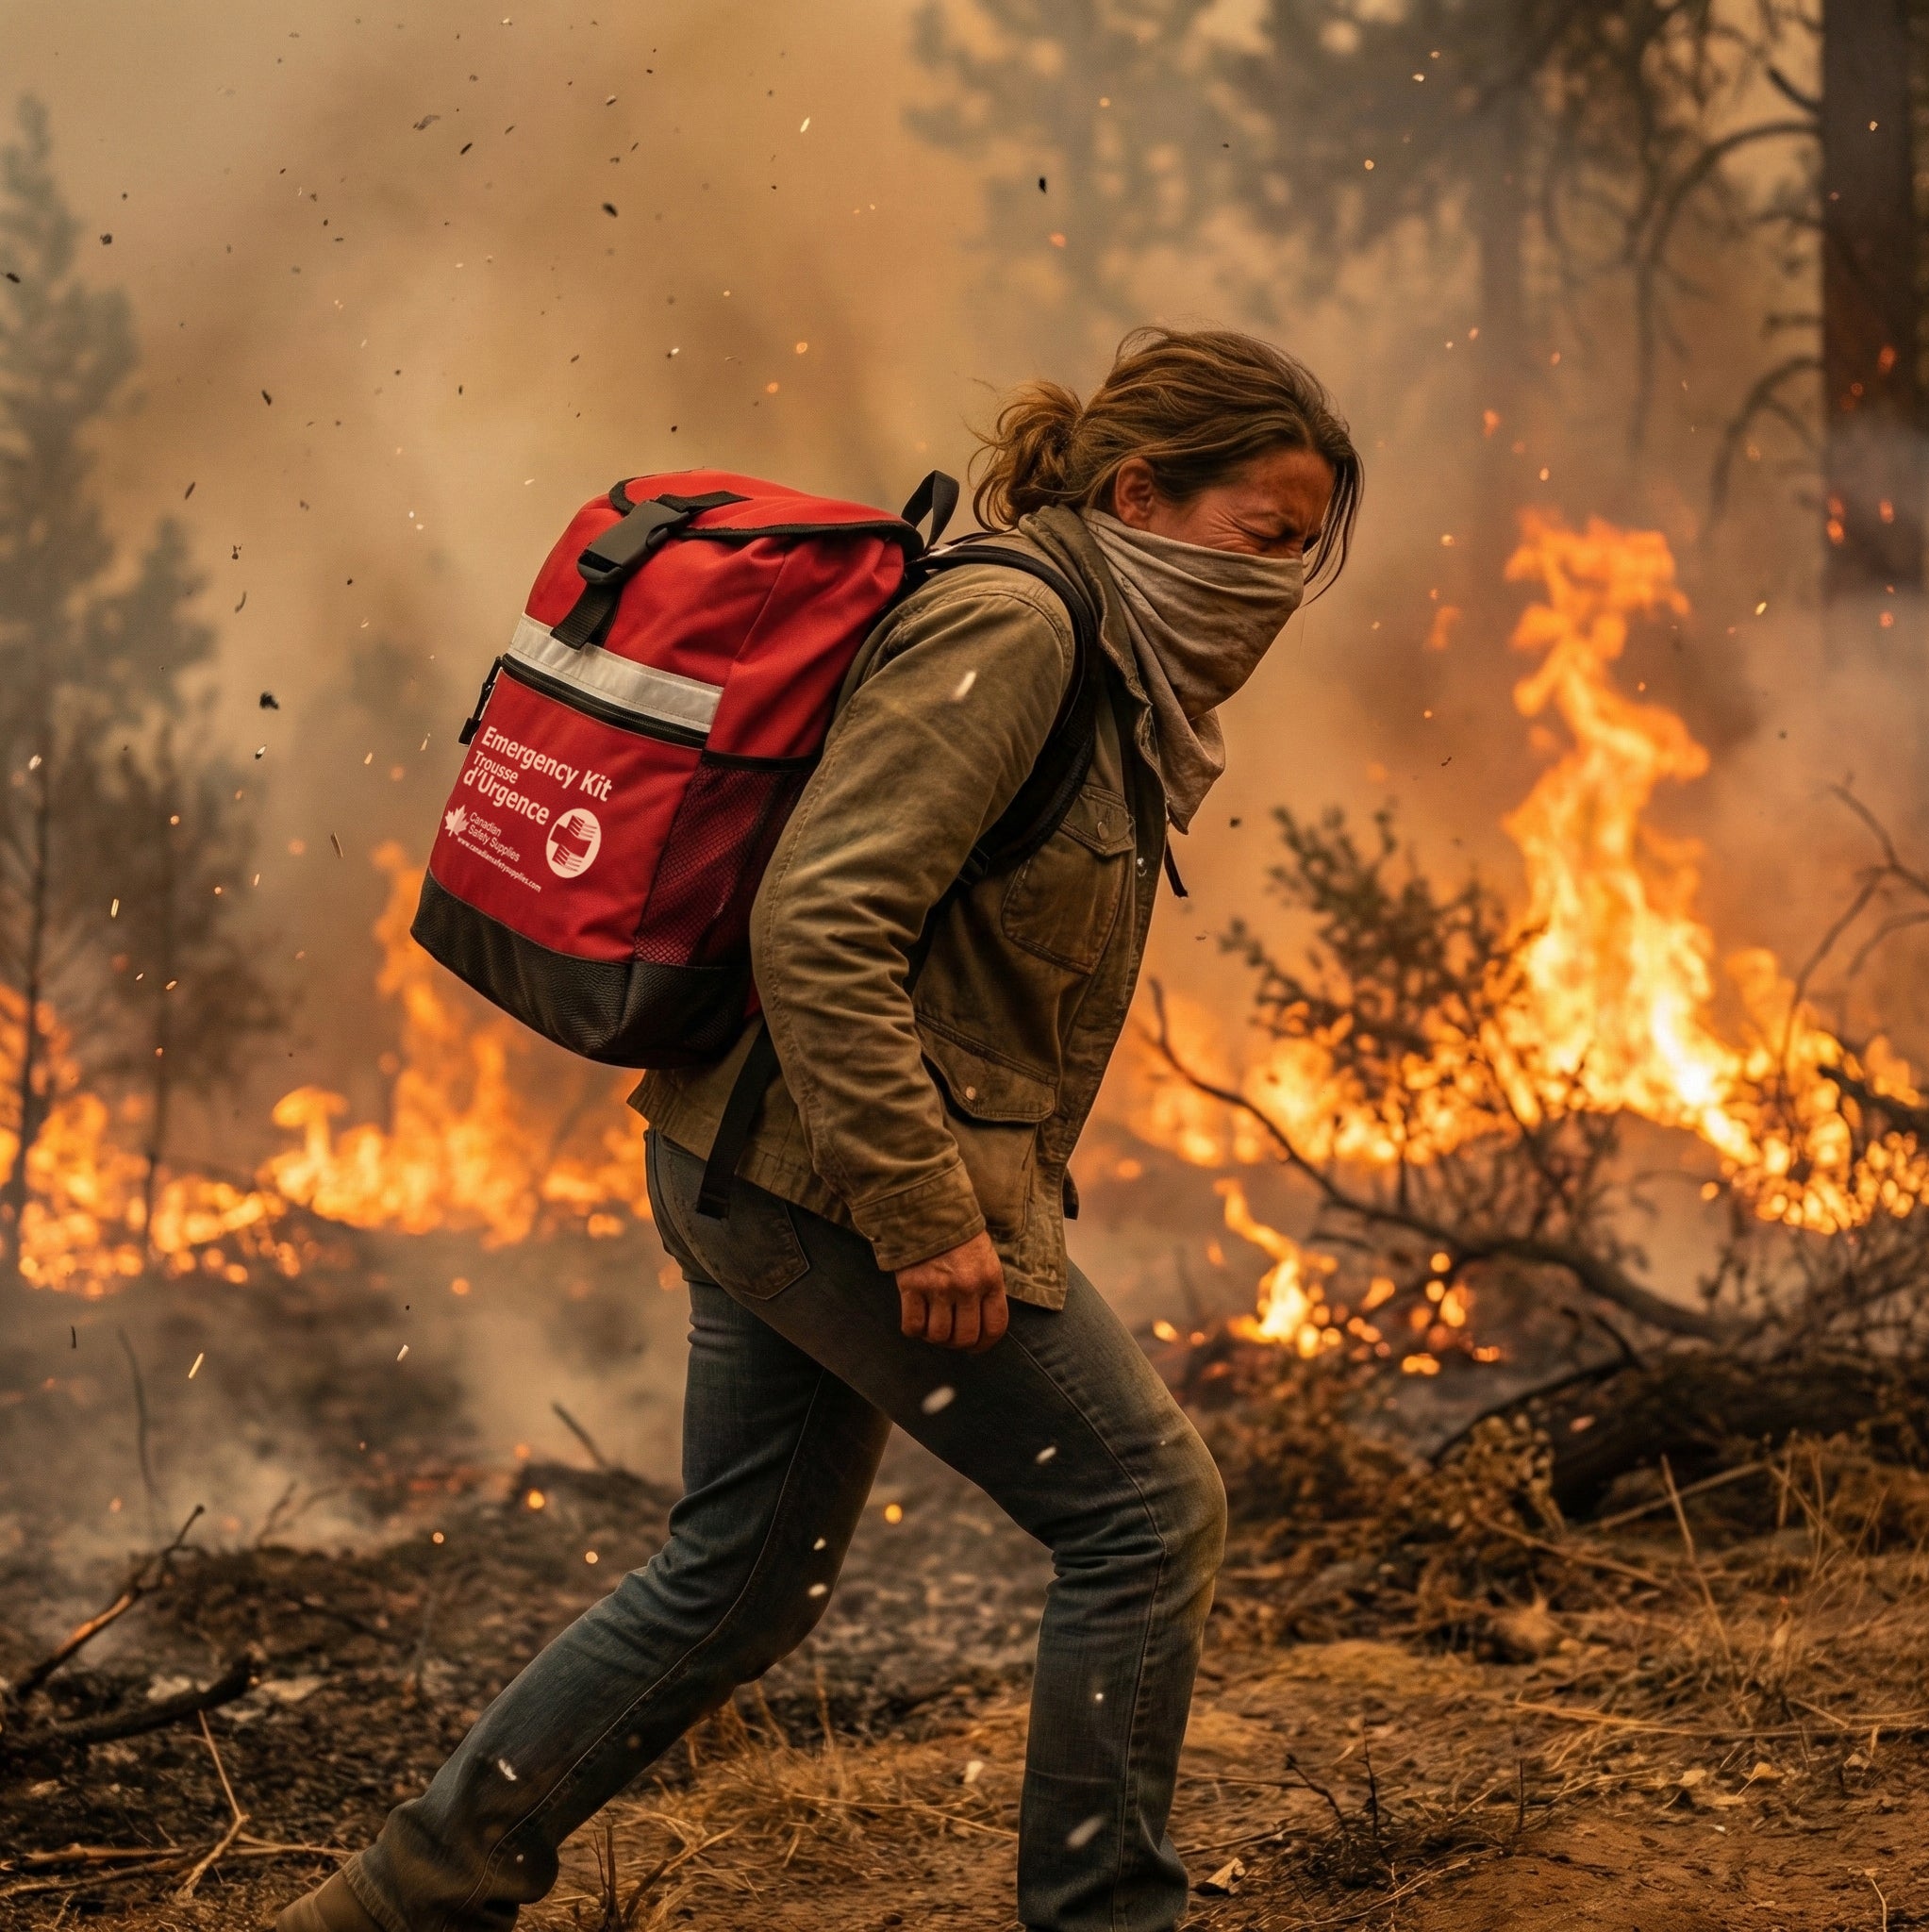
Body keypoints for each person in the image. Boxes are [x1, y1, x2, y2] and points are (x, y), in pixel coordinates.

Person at [279, 326, 1361, 1932]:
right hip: (824, 1183)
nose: (1276, 587)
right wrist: (927, 1213)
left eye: (1302, 558)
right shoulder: (1019, 626)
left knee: (735, 1585)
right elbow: (824, 922)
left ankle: (402, 1902)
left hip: (763, 1159)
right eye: (1261, 541)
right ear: (1141, 490)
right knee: (1146, 1515)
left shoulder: (1089, 647)